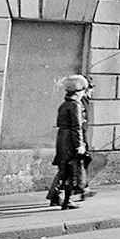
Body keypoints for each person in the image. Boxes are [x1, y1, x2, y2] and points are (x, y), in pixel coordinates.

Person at [46, 75, 93, 206]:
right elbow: (76, 127)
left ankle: (55, 196)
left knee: (63, 169)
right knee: (71, 170)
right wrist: (80, 145)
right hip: (71, 141)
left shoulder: (64, 105)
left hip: (62, 139)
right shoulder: (76, 106)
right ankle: (67, 200)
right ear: (79, 92)